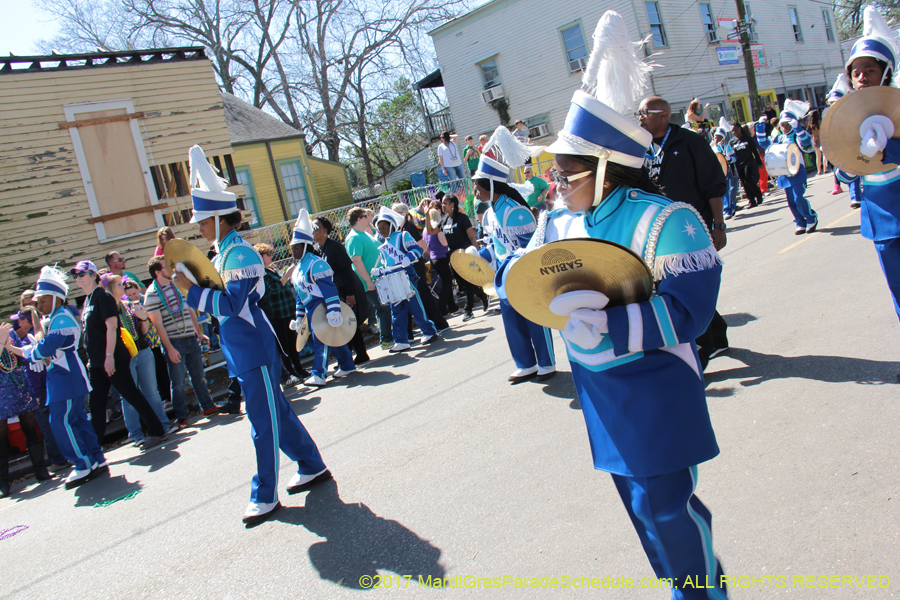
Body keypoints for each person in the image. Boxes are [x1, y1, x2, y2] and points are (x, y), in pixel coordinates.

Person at [529, 11, 729, 596]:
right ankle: (688, 586)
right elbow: (536, 287)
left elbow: (688, 312)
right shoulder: (560, 221)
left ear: (604, 169)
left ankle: (702, 592)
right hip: (599, 391)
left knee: (668, 512)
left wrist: (609, 329)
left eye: (566, 171)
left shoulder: (669, 220)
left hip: (656, 386)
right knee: (644, 515)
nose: (556, 182)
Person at [173, 145, 330, 525]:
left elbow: (229, 305)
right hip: (243, 348)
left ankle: (264, 494)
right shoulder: (223, 254)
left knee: (263, 421)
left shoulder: (239, 254)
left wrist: (189, 290)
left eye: (202, 221)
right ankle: (310, 464)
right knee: (275, 413)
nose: (198, 227)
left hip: (254, 346)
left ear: (218, 219)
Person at [639, 95, 729, 369]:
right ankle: (718, 335)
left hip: (693, 229)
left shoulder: (691, 143)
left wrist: (718, 225)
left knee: (690, 284)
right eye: (638, 112)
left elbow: (713, 185)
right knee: (676, 286)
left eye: (644, 112)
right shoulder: (639, 149)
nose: (639, 117)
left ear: (664, 115)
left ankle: (709, 343)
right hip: (660, 232)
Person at [476, 126, 556, 382]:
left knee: (534, 317)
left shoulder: (515, 211)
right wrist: (480, 256)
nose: (475, 192)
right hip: (503, 275)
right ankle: (525, 363)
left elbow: (530, 248)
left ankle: (546, 362)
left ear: (490, 184)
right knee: (512, 321)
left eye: (478, 187)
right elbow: (495, 245)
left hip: (523, 273)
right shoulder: (489, 214)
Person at [836, 7, 900, 324]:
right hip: (882, 219)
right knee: (899, 289)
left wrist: (889, 147)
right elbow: (843, 169)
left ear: (885, 72)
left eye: (869, 70)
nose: (862, 76)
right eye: (856, 71)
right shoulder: (846, 118)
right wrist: (853, 162)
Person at [18, 266, 106, 490]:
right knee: (77, 420)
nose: (39, 305)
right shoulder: (57, 317)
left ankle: (82, 463)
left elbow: (44, 349)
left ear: (57, 298)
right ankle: (95, 458)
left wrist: (26, 351)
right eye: (37, 302)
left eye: (43, 301)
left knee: (60, 422)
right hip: (65, 376)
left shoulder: (61, 319)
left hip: (65, 378)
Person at [72, 260, 167, 449]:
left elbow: (112, 326)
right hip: (97, 363)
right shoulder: (88, 300)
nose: (77, 279)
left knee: (132, 394)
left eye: (81, 274)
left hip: (112, 359)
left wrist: (108, 356)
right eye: (75, 276)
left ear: (93, 275)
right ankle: (94, 447)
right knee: (96, 404)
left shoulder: (103, 297)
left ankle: (157, 430)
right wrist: (94, 359)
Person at [144, 257, 222, 430]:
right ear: (157, 272)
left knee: (199, 376)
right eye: (166, 267)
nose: (171, 269)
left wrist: (199, 333)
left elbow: (189, 310)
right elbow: (158, 325)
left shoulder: (177, 285)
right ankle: (181, 416)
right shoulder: (152, 294)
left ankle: (208, 407)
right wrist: (169, 348)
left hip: (190, 338)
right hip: (173, 341)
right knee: (178, 383)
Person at [102, 273, 174, 445]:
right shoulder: (106, 309)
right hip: (124, 357)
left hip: (142, 351)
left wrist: (143, 318)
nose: (123, 287)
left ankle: (163, 424)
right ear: (109, 288)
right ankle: (136, 434)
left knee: (151, 391)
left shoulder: (128, 306)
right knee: (129, 396)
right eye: (119, 284)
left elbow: (143, 331)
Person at [288, 210, 357, 387]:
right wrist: (298, 317)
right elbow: (301, 296)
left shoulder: (316, 263)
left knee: (322, 341)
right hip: (311, 310)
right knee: (331, 338)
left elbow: (329, 289)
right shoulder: (299, 268)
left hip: (322, 307)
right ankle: (347, 364)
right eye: (292, 248)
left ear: (305, 246)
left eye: (296, 247)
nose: (293, 251)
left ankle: (319, 374)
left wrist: (333, 310)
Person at [371, 206, 439, 352]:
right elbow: (386, 264)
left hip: (406, 278)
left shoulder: (403, 236)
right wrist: (380, 272)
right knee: (397, 311)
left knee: (416, 306)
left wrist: (409, 257)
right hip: (392, 281)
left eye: (384, 227)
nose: (382, 231)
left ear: (392, 226)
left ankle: (429, 331)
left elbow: (418, 249)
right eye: (380, 228)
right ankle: (401, 340)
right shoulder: (383, 246)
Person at [8, 309, 69, 473]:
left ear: (28, 322)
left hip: (40, 388)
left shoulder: (30, 338)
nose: (18, 323)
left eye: (20, 320)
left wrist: (34, 393)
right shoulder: (39, 335)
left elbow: (31, 370)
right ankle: (64, 455)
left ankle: (58, 459)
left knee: (47, 425)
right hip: (48, 384)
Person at [0, 322, 52, 497]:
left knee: (30, 427)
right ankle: (3, 482)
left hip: (19, 385)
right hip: (0, 394)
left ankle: (40, 470)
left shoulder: (9, 332)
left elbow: (22, 357)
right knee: (1, 436)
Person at [313, 217, 370, 364]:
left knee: (349, 321)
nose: (314, 229)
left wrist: (350, 294)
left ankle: (359, 354)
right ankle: (351, 356)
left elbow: (346, 270)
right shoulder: (319, 249)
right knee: (344, 322)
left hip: (347, 287)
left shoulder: (334, 247)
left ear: (325, 231)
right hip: (336, 290)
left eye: (316, 226)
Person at [253, 243, 308, 385]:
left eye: (271, 253)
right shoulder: (261, 273)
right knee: (284, 345)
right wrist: (286, 274)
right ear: (260, 257)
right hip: (276, 314)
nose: (271, 256)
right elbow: (273, 289)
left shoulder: (270, 269)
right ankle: (290, 372)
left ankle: (299, 369)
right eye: (268, 254)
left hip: (286, 311)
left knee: (293, 342)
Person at [392, 203, 450, 334]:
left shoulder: (409, 228)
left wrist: (411, 258)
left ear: (403, 214)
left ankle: (440, 323)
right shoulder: (398, 230)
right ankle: (429, 325)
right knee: (419, 298)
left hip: (416, 267)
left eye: (395, 212)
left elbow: (422, 246)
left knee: (424, 295)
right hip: (408, 269)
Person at [346, 206, 393, 349]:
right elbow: (356, 260)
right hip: (369, 282)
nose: (368, 217)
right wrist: (367, 281)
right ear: (359, 219)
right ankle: (386, 339)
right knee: (382, 307)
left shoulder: (363, 233)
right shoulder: (354, 237)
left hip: (377, 279)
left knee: (384, 307)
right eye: (365, 215)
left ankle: (388, 337)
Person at [770, 99, 818, 235]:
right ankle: (799, 222)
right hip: (784, 174)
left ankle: (811, 218)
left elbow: (808, 146)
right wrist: (760, 131)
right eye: (782, 124)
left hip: (797, 171)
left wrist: (799, 130)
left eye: (787, 124)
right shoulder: (778, 138)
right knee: (790, 201)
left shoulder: (797, 136)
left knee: (798, 198)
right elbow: (768, 148)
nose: (784, 127)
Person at [124, 278, 172, 413]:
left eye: (134, 293)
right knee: (154, 372)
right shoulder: (128, 306)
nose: (133, 297)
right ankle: (163, 397)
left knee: (162, 367)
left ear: (138, 289)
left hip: (156, 337)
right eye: (129, 295)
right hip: (144, 342)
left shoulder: (147, 300)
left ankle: (169, 396)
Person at [441, 194, 489, 321]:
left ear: (452, 204)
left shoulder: (462, 218)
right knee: (462, 282)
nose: (443, 206)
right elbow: (431, 231)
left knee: (468, 281)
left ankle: (468, 310)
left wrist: (478, 254)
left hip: (466, 254)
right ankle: (482, 295)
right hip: (453, 257)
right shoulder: (444, 220)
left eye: (445, 203)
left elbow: (471, 236)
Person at [424, 206, 454, 316]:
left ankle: (450, 307)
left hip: (433, 258)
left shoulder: (425, 230)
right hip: (441, 257)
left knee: (446, 283)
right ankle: (442, 309)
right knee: (447, 284)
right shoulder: (437, 228)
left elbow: (425, 246)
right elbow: (445, 243)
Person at [730, 122, 764, 209]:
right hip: (738, 165)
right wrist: (733, 169)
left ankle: (758, 195)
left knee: (748, 180)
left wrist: (759, 162)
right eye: (732, 131)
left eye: (735, 130)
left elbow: (754, 150)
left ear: (739, 128)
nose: (734, 132)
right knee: (744, 182)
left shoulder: (747, 138)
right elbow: (731, 156)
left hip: (748, 162)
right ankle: (752, 200)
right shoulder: (732, 142)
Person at [710, 127, 738, 219]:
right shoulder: (711, 147)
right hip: (716, 173)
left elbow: (734, 158)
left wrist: (727, 158)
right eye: (716, 136)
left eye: (719, 137)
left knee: (727, 191)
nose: (717, 138)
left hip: (726, 171)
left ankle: (728, 210)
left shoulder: (726, 147)